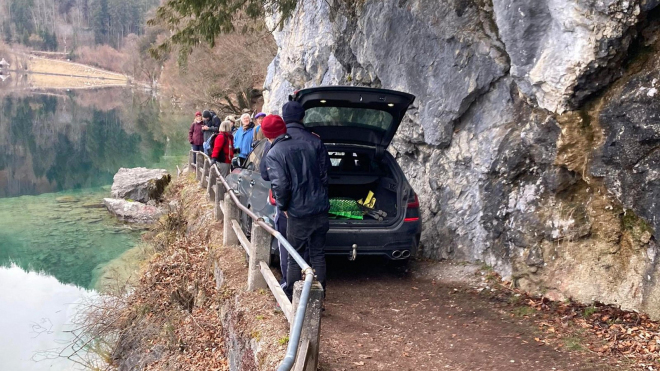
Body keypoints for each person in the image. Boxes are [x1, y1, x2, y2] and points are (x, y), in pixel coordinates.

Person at [261, 114, 330, 300]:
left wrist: (283, 206)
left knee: (293, 257)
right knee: (317, 254)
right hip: (321, 207)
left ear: (268, 135)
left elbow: (281, 186)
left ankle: (293, 300)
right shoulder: (309, 144)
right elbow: (323, 174)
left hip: (299, 212)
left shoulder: (274, 153)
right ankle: (319, 299)